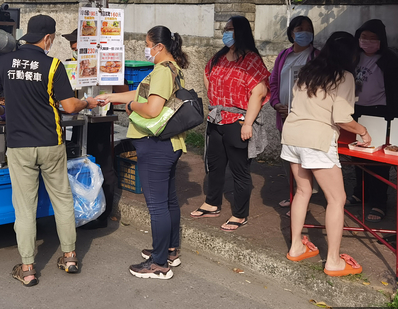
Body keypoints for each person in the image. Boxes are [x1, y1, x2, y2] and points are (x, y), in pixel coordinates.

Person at [0, 15, 98, 287]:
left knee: (24, 208)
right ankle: (69, 257)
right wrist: (87, 102)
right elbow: (69, 106)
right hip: (51, 142)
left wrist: (3, 109)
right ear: (47, 39)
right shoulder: (53, 65)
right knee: (62, 199)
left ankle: (27, 268)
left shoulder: (3, 63)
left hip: (20, 146)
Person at [96, 26, 189, 279]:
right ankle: (169, 250)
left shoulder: (162, 71)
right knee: (168, 201)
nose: (145, 49)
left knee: (157, 206)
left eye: (147, 44)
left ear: (159, 47)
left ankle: (159, 264)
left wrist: (128, 105)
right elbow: (141, 94)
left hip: (155, 144)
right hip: (168, 144)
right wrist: (110, 98)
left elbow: (151, 108)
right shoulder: (173, 69)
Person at [281, 31, 370, 276]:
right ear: (351, 55)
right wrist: (363, 131)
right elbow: (342, 118)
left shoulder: (308, 71)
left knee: (302, 191)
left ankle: (296, 246)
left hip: (292, 136)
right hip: (317, 140)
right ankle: (333, 260)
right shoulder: (345, 77)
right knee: (337, 199)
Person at [190, 16, 270, 232]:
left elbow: (259, 92)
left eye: (230, 29)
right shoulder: (219, 58)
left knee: (240, 170)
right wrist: (216, 103)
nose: (226, 33)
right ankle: (212, 203)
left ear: (241, 32)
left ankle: (240, 214)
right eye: (225, 29)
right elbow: (207, 76)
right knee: (215, 165)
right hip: (217, 119)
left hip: (239, 121)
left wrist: (248, 123)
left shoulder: (251, 60)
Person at [347, 19, 398, 222]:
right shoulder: (353, 57)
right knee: (357, 155)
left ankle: (379, 202)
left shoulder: (390, 61)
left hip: (381, 113)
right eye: (364, 37)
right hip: (356, 111)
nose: (367, 42)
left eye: (373, 38)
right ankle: (360, 193)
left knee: (378, 160)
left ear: (381, 40)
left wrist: (397, 118)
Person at [62, 27, 117, 230]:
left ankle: (103, 215)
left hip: (99, 120)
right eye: (71, 45)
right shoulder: (71, 64)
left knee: (103, 163)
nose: (73, 48)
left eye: (76, 44)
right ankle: (85, 210)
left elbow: (120, 88)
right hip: (78, 118)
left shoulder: (105, 64)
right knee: (80, 162)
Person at [269, 16, 319, 213]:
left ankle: (303, 199)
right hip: (284, 116)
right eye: (300, 28)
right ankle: (294, 195)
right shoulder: (283, 56)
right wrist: (276, 104)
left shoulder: (316, 56)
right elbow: (273, 82)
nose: (305, 32)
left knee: (304, 160)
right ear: (291, 33)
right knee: (288, 159)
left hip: (305, 118)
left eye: (309, 28)